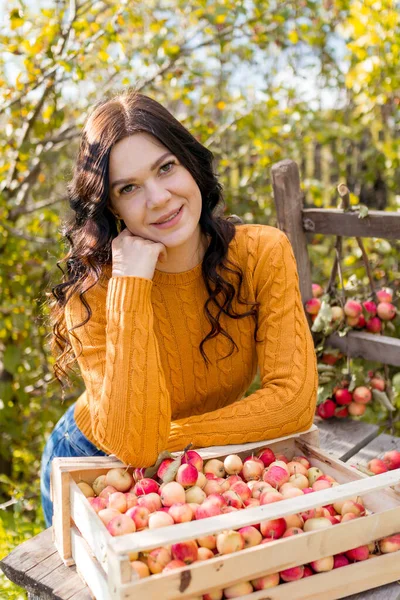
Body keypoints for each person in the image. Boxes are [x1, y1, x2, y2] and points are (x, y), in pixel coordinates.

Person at [40, 90, 318, 527]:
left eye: (166, 167)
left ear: (190, 162)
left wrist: (170, 443)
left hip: (197, 460)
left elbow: (293, 403)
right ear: (110, 206)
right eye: (128, 188)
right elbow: (132, 443)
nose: (159, 198)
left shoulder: (262, 253)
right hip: (94, 460)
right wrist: (131, 282)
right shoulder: (92, 292)